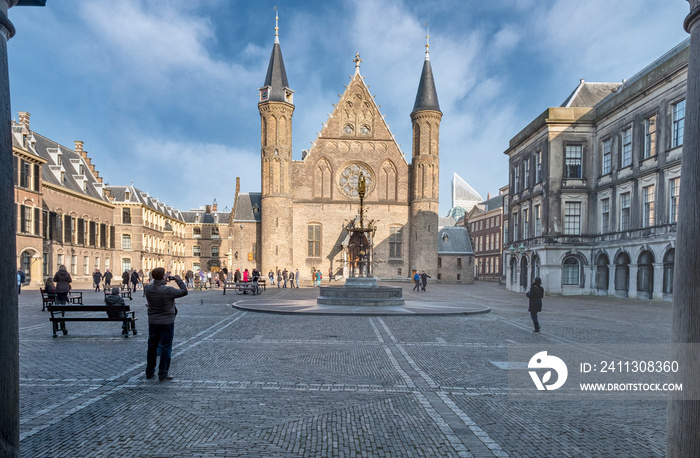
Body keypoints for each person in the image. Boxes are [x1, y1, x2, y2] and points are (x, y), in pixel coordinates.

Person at [145, 267, 187, 381]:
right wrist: (178, 280)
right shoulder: (168, 290)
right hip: (167, 322)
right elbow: (184, 291)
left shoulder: (147, 288)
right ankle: (163, 373)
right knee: (166, 347)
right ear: (163, 276)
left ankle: (149, 371)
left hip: (153, 321)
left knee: (152, 347)